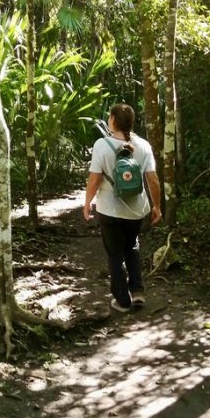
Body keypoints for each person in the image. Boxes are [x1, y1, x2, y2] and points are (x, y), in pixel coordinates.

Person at [82, 103, 162, 312]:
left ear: (113, 121)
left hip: (109, 210)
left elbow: (94, 180)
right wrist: (157, 207)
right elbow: (153, 180)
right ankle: (137, 292)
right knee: (132, 247)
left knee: (115, 254)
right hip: (136, 211)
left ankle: (122, 301)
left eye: (110, 117)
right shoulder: (144, 145)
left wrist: (87, 202)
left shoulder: (102, 144)